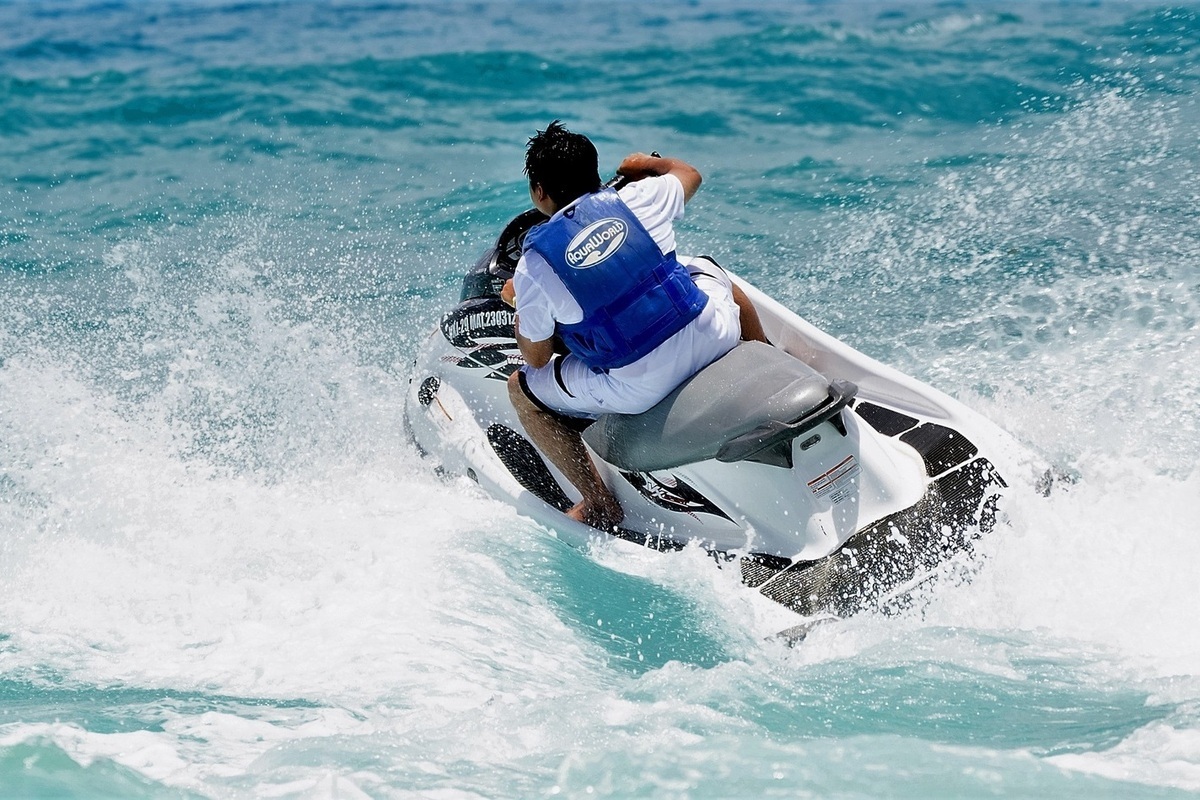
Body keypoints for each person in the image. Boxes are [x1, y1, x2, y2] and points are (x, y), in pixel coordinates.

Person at [503, 121, 766, 531]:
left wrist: (522, 302)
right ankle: (764, 355)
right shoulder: (641, 197)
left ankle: (599, 503)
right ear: (594, 172)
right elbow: (690, 174)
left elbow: (536, 358)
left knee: (521, 390)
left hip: (642, 386)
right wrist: (644, 163)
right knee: (706, 268)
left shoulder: (533, 266)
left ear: (539, 191)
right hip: (713, 337)